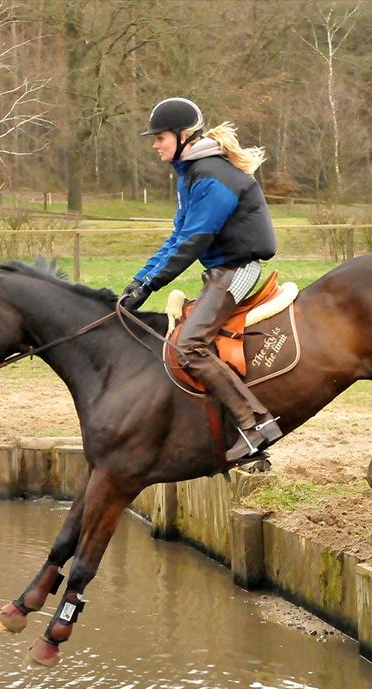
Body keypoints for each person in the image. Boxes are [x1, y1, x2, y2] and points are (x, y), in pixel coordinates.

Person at [119, 97, 282, 463]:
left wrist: (152, 284)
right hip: (221, 272)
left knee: (188, 346)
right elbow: (177, 238)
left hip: (239, 272)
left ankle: (255, 425)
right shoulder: (192, 175)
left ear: (183, 136)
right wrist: (139, 280)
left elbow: (195, 240)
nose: (154, 143)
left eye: (159, 137)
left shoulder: (211, 175)